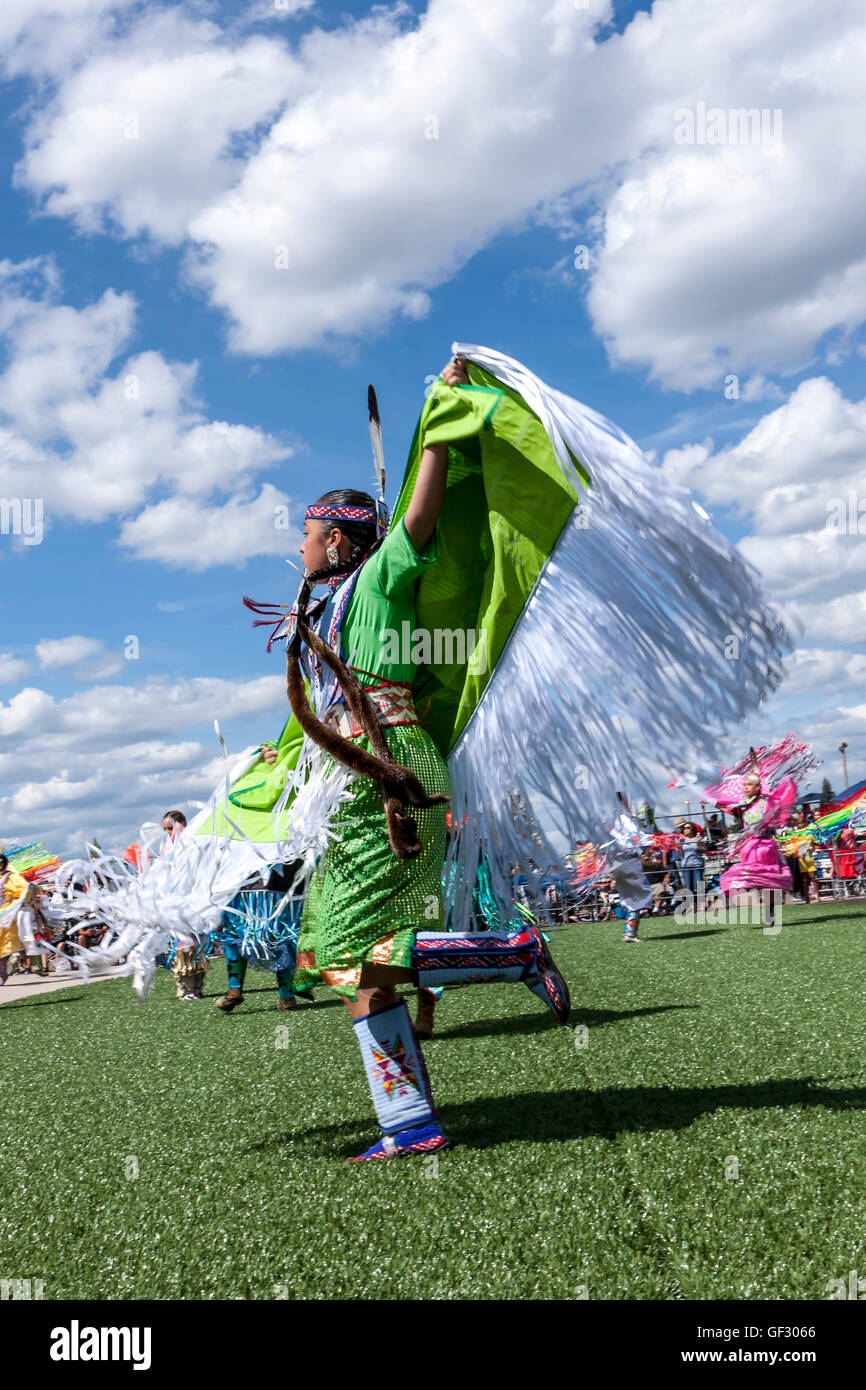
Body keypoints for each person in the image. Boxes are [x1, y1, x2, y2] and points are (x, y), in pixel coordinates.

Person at [287, 356, 569, 1160]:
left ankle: (509, 949)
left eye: (306, 536)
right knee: (350, 962)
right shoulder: (329, 610)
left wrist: (440, 421)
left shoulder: (380, 577)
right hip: (361, 777)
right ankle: (410, 1125)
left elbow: (417, 518)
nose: (298, 550)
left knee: (348, 949)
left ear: (337, 537)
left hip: (390, 774)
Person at [163, 811, 210, 1001]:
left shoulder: (194, 843)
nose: (168, 832)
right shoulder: (167, 848)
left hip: (197, 901)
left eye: (170, 828)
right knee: (184, 945)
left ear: (182, 824)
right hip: (177, 904)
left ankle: (197, 987)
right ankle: (185, 989)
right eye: (165, 829)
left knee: (199, 945)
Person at [0, 853, 30, 984]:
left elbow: (25, 890)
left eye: (2, 864)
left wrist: (15, 904)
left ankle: (2, 974)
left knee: (4, 944)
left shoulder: (12, 877)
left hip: (8, 915)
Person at [677, 823, 705, 904]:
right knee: (688, 887)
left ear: (692, 829)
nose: (686, 829)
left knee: (699, 884)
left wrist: (698, 843)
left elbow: (704, 850)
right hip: (686, 865)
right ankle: (691, 905)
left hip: (697, 864)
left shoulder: (698, 838)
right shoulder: (682, 840)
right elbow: (677, 847)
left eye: (688, 828)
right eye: (684, 828)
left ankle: (701, 904)